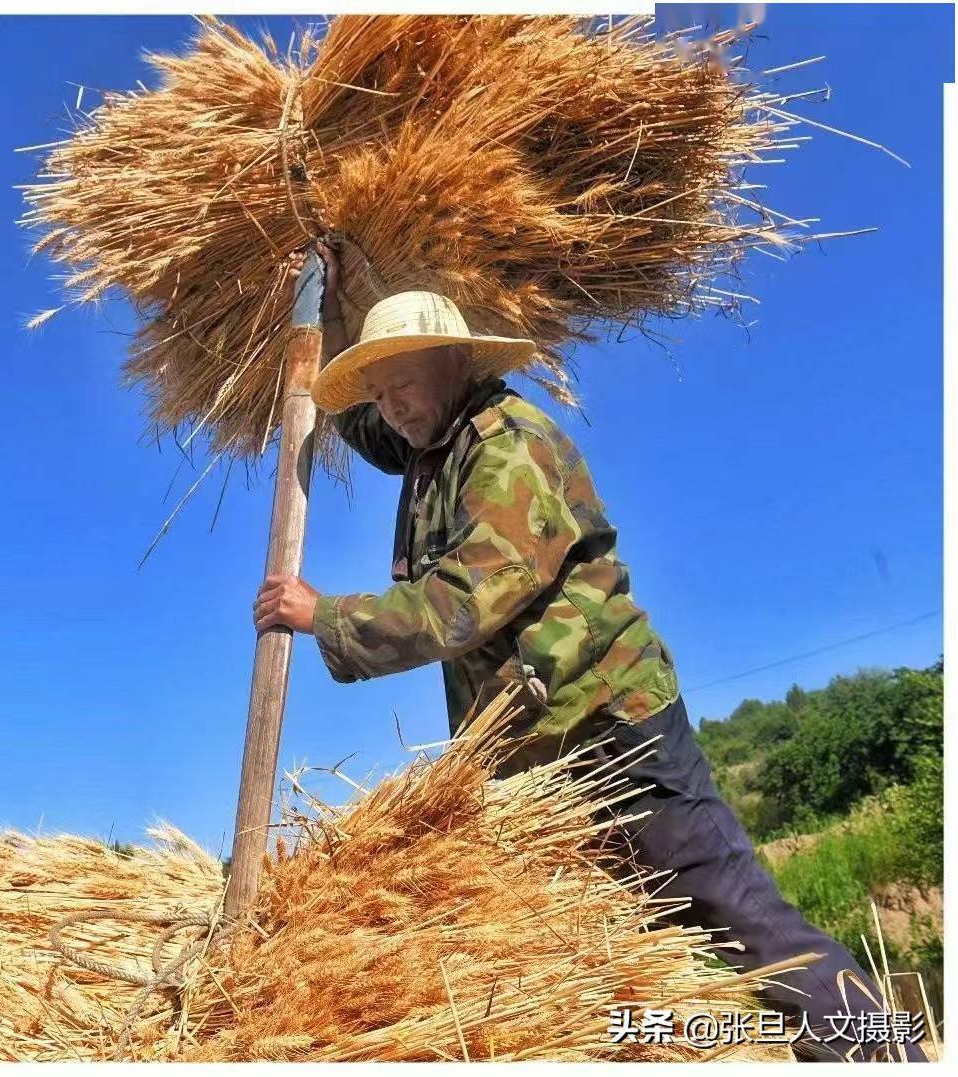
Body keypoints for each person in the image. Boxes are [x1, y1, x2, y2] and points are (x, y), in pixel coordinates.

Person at [251, 237, 930, 1063]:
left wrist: (324, 614)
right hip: (538, 762)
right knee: (605, 952)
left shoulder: (508, 446)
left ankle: (889, 1055)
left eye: (403, 383)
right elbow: (365, 423)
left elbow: (463, 602)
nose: (391, 404)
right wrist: (320, 303)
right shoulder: (427, 444)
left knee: (737, 914)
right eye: (380, 389)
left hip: (612, 729)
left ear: (458, 361)